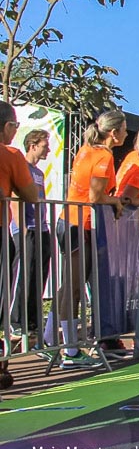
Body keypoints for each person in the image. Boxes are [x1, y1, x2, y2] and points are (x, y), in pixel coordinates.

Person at [49, 110, 127, 369]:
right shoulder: (102, 155)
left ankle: (52, 341)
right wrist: (115, 200)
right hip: (77, 224)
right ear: (113, 133)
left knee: (70, 285)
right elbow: (95, 196)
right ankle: (70, 352)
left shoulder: (87, 149)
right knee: (73, 288)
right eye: (125, 129)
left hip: (70, 221)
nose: (127, 134)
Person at [8, 129, 48, 334]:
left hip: (41, 228)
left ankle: (32, 321)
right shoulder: (20, 166)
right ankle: (16, 322)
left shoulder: (39, 173)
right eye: (44, 145)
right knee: (24, 275)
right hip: (26, 228)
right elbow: (16, 199)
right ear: (33, 146)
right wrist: (21, 228)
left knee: (39, 275)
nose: (47, 149)